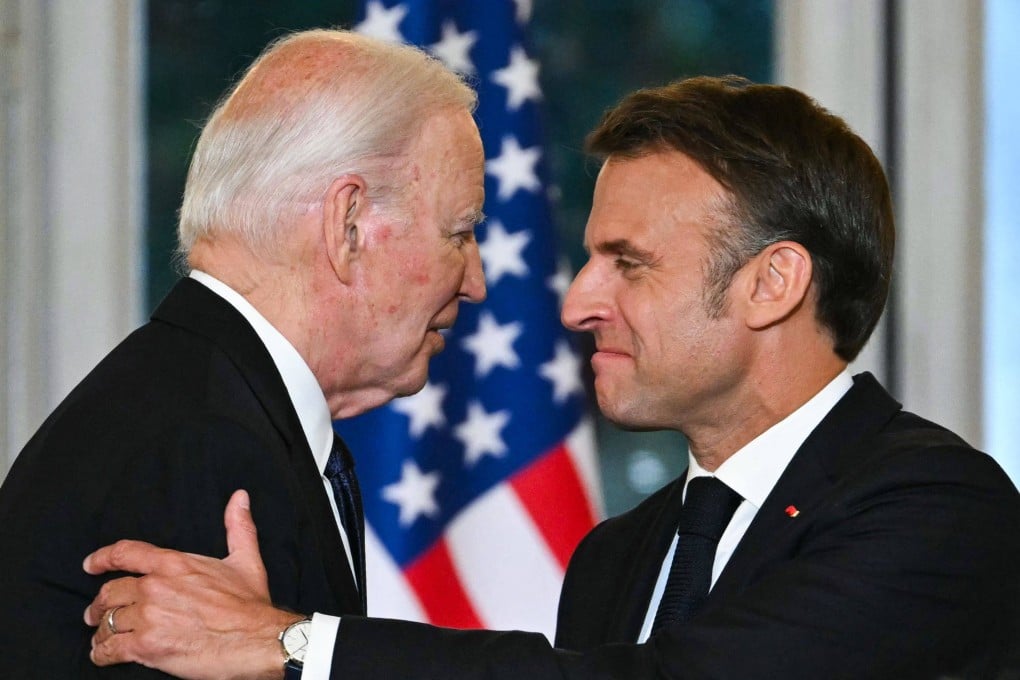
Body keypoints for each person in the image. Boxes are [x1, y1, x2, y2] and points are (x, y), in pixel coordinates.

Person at [83, 76, 1019, 679]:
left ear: (772, 283)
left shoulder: (937, 508)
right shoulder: (618, 557)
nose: (577, 303)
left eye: (629, 262)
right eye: (588, 259)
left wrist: (289, 644)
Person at [0, 29, 486, 678]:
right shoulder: (205, 451)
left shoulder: (206, 404)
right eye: (460, 233)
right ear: (348, 227)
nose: (476, 280)